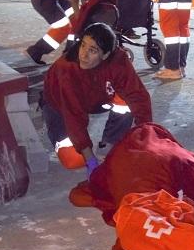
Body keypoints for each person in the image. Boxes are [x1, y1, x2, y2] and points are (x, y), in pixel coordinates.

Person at [42, 22, 152, 178]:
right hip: (59, 105)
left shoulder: (118, 61)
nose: (84, 55)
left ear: (106, 55)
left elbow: (138, 96)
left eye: (92, 50)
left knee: (126, 102)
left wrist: (148, 135)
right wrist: (90, 160)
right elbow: (74, 116)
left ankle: (110, 141)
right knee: (74, 159)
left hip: (97, 98)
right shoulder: (67, 70)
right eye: (83, 46)